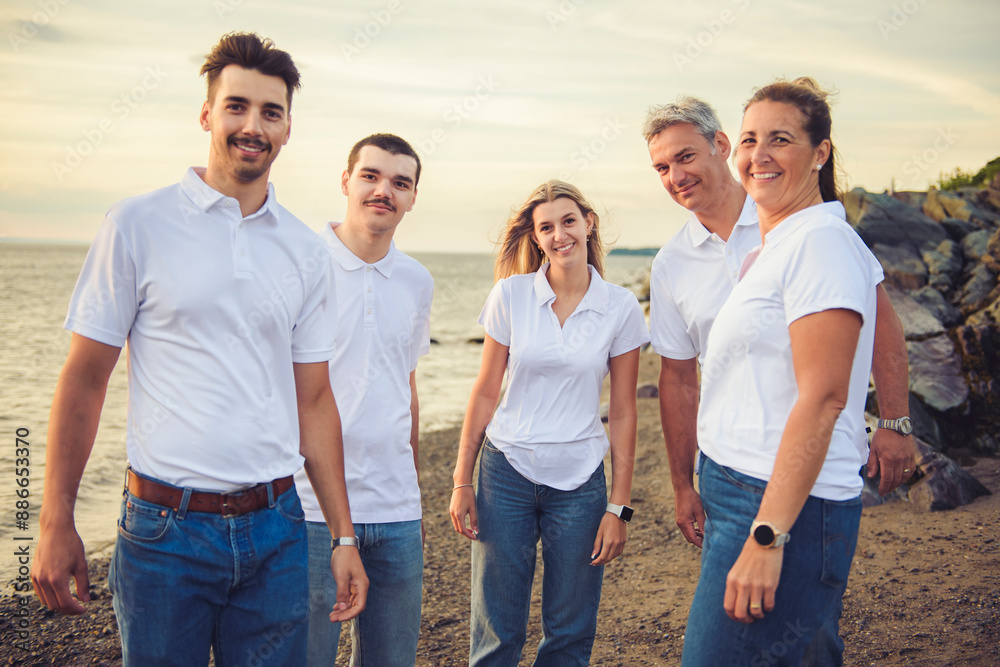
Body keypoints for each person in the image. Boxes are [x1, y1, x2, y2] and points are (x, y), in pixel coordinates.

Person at [31, 32, 367, 665]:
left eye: (271, 112)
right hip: (164, 534)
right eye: (236, 106)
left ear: (288, 128)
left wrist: (343, 536)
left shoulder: (305, 250)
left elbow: (316, 400)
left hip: (277, 529)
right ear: (207, 113)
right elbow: (84, 379)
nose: (253, 124)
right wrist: (54, 518)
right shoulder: (136, 225)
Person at [643, 95, 915, 665]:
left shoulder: (814, 237)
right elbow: (680, 377)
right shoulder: (732, 252)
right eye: (661, 167)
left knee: (793, 642)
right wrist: (684, 482)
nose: (675, 176)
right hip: (729, 480)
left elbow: (833, 385)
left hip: (786, 491)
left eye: (685, 157)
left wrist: (895, 421)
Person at [449, 180, 649, 665]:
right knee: (497, 630)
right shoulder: (510, 295)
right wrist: (461, 480)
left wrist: (619, 506)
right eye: (547, 227)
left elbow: (623, 410)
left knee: (570, 631)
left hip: (581, 482)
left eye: (568, 222)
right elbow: (485, 391)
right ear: (536, 237)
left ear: (588, 223)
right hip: (506, 473)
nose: (560, 235)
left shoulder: (619, 307)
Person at [295, 133, 432, 666]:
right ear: (346, 180)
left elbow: (408, 386)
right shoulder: (303, 263)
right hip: (308, 508)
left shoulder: (417, 280)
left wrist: (414, 492)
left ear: (413, 197)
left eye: (400, 183)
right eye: (371, 176)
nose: (384, 191)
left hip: (396, 510)